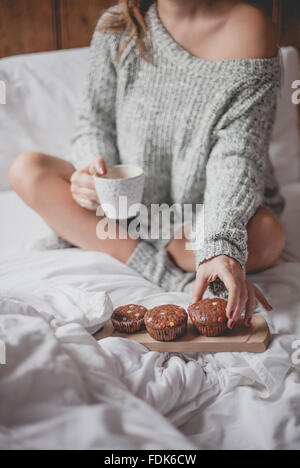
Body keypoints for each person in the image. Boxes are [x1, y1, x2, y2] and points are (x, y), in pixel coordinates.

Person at [9, 0, 286, 329]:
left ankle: (137, 245)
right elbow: (93, 123)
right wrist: (92, 172)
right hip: (126, 206)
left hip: (203, 215)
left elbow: (238, 156)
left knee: (268, 237)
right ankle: (163, 268)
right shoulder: (119, 26)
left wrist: (219, 247)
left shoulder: (249, 27)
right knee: (27, 170)